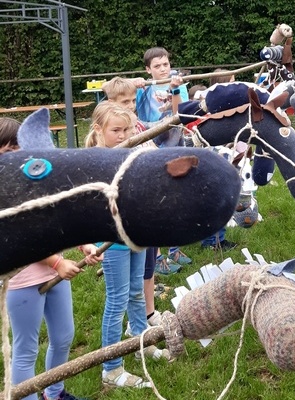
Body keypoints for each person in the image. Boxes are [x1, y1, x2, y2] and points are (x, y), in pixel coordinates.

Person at [3, 117, 103, 400]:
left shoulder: (36, 184)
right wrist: (57, 262)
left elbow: (57, 223)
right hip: (23, 282)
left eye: (20, 150)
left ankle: (54, 393)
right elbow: (24, 238)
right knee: (26, 349)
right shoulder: (4, 195)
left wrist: (82, 244)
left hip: (56, 276)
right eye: (8, 152)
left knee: (63, 337)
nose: (16, 157)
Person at [85, 102, 170, 389]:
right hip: (113, 244)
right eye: (116, 130)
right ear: (99, 130)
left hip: (137, 236)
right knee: (117, 300)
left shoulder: (131, 154)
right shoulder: (95, 162)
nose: (123, 136)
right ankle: (111, 368)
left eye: (127, 130)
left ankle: (141, 341)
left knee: (136, 293)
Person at [102, 77, 169, 331]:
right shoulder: (113, 140)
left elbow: (159, 129)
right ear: (111, 104)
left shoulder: (137, 125)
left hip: (145, 210)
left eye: (132, 101)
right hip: (126, 221)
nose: (130, 106)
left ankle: (144, 318)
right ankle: (137, 322)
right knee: (124, 290)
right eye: (124, 102)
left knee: (146, 269)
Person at [131, 47, 192, 272]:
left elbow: (179, 114)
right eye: (157, 66)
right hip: (151, 145)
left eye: (165, 64)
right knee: (157, 201)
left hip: (174, 142)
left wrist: (175, 90)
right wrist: (133, 84)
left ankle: (174, 248)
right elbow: (124, 99)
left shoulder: (178, 84)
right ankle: (156, 258)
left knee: (177, 199)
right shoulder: (144, 88)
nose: (163, 69)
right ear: (148, 70)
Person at [199, 69, 238, 251]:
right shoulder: (212, 111)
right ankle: (211, 241)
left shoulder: (229, 108)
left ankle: (218, 238)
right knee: (215, 199)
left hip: (226, 158)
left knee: (224, 197)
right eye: (231, 83)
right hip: (214, 161)